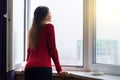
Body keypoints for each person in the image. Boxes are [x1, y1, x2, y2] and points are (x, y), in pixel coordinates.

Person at [24, 6, 67, 80]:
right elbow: (52, 50)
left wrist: (26, 66)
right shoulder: (49, 27)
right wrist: (59, 69)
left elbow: (29, 52)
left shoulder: (32, 30)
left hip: (29, 69)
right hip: (43, 69)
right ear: (44, 16)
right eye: (49, 13)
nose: (50, 15)